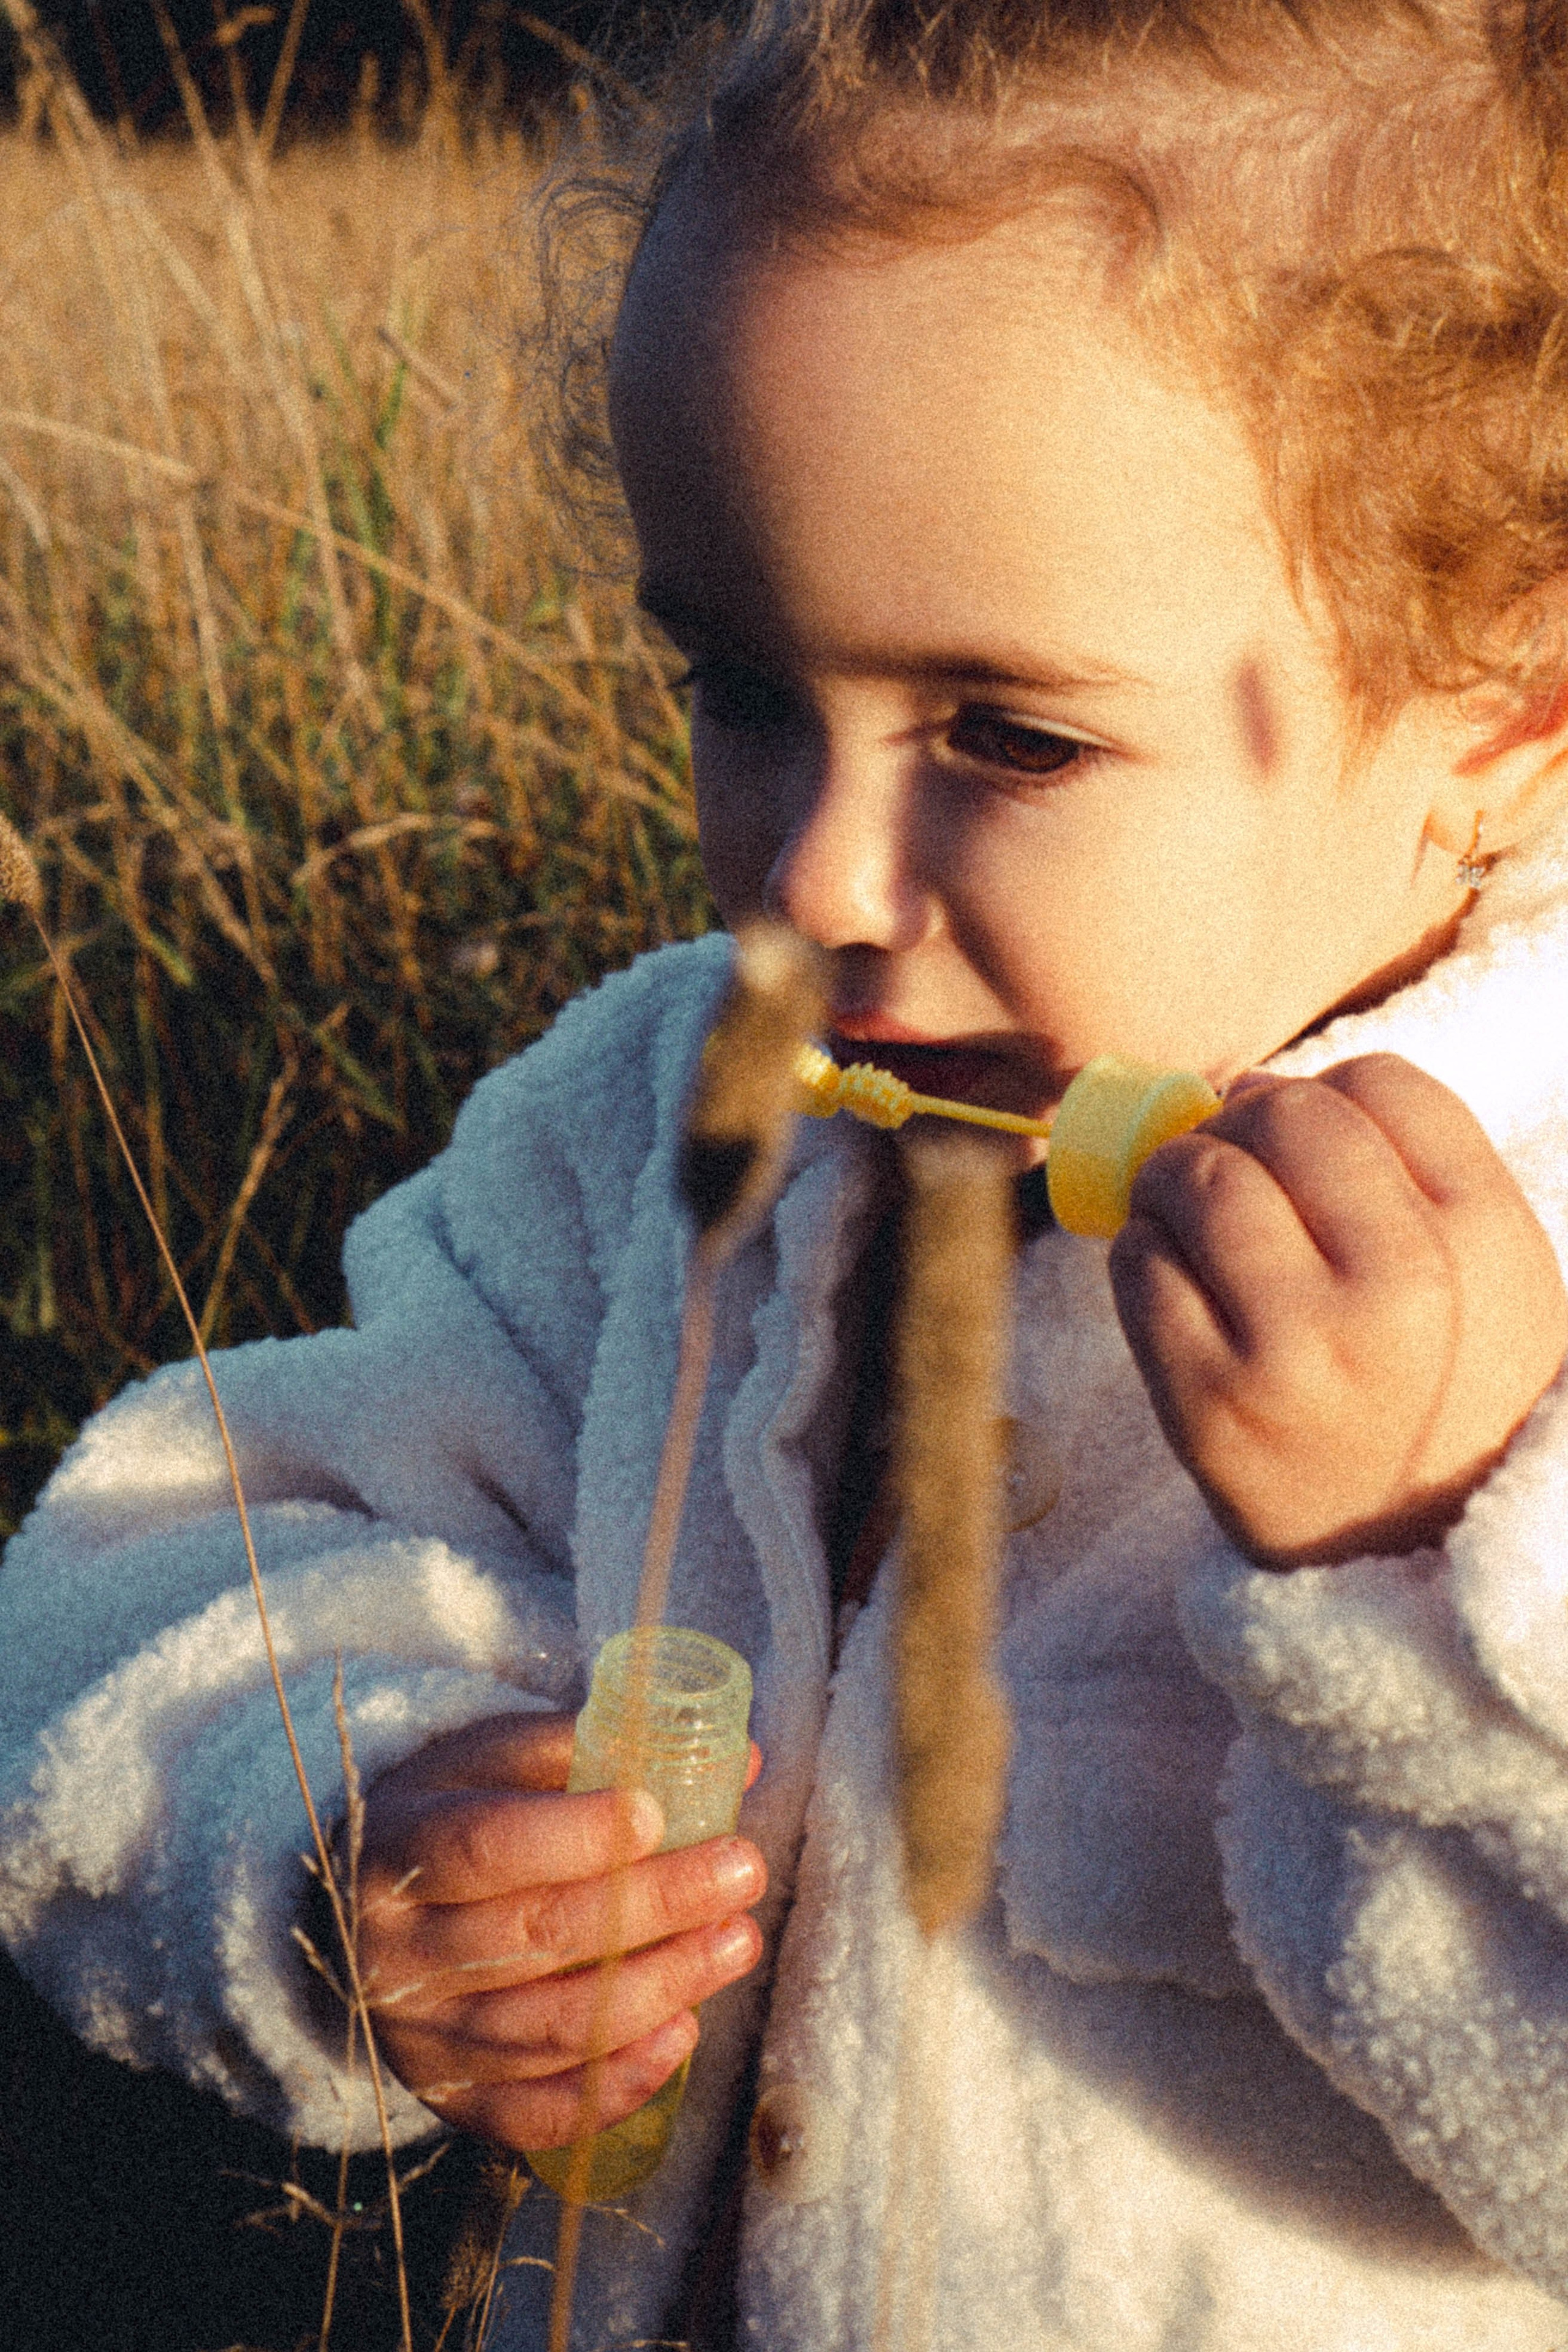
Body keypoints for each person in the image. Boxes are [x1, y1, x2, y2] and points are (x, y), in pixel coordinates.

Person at [9, 0, 1568, 2344]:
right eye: (741, 688)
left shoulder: (1535, 1253)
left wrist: (1419, 1570)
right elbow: (147, 1561)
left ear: (1506, 720)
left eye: (1008, 735)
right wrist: (343, 1830)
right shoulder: (671, 1126)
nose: (816, 877)